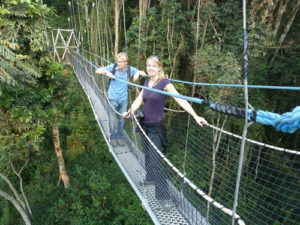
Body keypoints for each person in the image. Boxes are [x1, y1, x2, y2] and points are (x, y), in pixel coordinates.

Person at [123, 55, 207, 211]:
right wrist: (130, 111)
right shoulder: (148, 82)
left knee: (157, 161)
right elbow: (139, 99)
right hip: (144, 125)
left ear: (159, 67)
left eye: (154, 66)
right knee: (147, 154)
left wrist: (195, 116)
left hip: (156, 128)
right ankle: (150, 179)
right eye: (148, 65)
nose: (150, 68)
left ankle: (164, 197)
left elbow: (181, 99)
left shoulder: (164, 83)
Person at [95, 52, 146, 147]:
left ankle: (119, 137)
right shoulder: (113, 67)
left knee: (122, 120)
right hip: (112, 98)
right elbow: (97, 70)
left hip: (123, 99)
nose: (119, 63)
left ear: (125, 62)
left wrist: (138, 73)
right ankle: (113, 138)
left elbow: (144, 73)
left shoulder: (130, 69)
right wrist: (106, 72)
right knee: (112, 119)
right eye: (118, 61)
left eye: (121, 62)